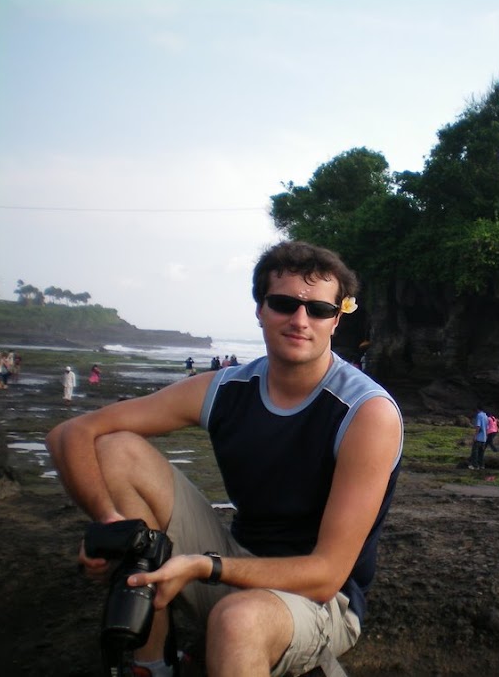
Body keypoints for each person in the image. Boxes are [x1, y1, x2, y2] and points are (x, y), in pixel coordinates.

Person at [46, 240, 404, 677]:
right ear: (259, 309)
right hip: (236, 560)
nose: (299, 320)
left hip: (320, 599)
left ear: (337, 319)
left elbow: (326, 574)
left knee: (237, 621)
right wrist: (112, 525)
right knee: (115, 448)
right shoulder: (225, 389)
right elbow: (72, 432)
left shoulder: (365, 413)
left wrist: (206, 566)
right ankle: (152, 664)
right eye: (283, 303)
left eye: (318, 310)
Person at [469, 405, 489, 470]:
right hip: (484, 438)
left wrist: (475, 436)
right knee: (481, 453)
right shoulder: (486, 416)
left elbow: (478, 426)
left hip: (479, 437)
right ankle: (482, 465)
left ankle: (475, 466)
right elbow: (487, 428)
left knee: (475, 452)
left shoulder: (479, 415)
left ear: (478, 409)